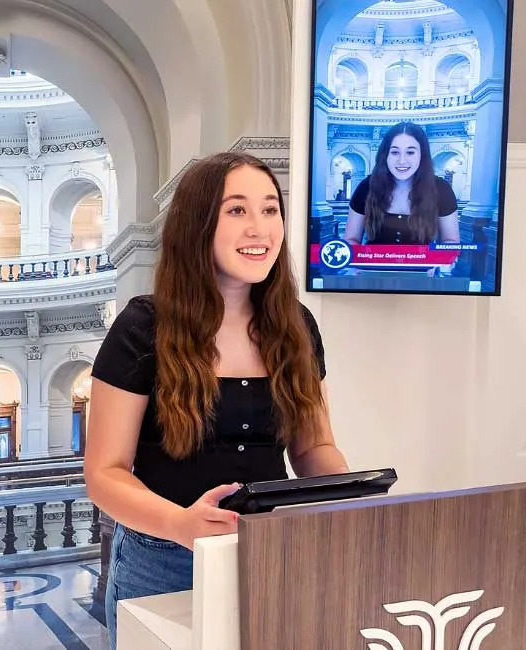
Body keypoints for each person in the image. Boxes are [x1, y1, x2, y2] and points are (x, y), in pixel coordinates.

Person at [84, 152, 351, 647]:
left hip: (270, 551)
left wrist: (352, 495)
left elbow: (313, 449)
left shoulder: (297, 326)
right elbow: (105, 473)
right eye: (237, 210)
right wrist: (179, 523)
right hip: (160, 559)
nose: (260, 228)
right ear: (197, 223)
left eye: (271, 210)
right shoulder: (143, 328)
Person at [343, 121, 460, 246]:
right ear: (385, 155)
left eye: (410, 152)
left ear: (422, 155)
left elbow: (450, 240)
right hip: (372, 265)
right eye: (395, 152)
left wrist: (445, 256)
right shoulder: (366, 187)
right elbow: (352, 239)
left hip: (425, 266)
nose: (402, 161)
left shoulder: (441, 188)